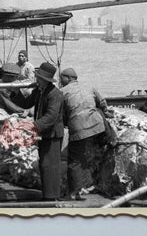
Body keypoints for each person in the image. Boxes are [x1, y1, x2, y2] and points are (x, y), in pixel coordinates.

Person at [10, 62, 64, 201]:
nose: (37, 80)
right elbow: (27, 103)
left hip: (52, 135)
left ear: (46, 80)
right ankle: (47, 194)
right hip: (43, 133)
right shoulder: (39, 91)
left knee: (50, 165)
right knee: (44, 164)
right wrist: (16, 93)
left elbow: (51, 117)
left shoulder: (55, 94)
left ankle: (52, 197)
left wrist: (33, 126)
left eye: (39, 78)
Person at [59, 67, 106, 200]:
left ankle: (73, 193)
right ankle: (86, 185)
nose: (60, 80)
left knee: (74, 161)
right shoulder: (89, 86)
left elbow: (61, 114)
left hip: (80, 129)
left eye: (61, 78)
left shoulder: (62, 92)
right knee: (84, 157)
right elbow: (102, 103)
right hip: (98, 126)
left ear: (68, 78)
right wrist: (106, 110)